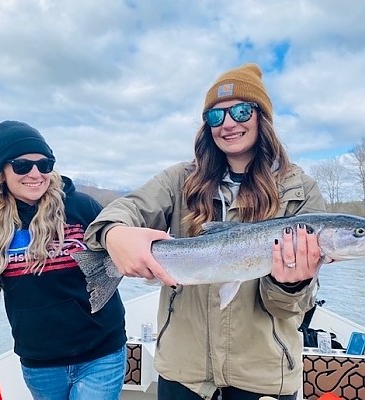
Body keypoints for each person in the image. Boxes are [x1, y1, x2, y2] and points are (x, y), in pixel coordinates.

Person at [84, 63, 327, 400]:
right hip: (183, 374)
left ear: (262, 117)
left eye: (241, 111)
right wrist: (114, 235)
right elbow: (122, 211)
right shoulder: (179, 179)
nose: (228, 124)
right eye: (215, 116)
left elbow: (289, 310)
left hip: (263, 376)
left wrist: (294, 283)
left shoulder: (300, 191)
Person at [0, 121, 127, 400]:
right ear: (2, 171)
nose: (35, 174)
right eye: (22, 166)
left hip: (100, 352)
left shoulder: (81, 207)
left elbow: (122, 253)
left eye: (45, 164)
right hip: (40, 363)